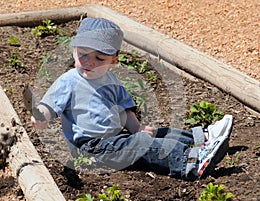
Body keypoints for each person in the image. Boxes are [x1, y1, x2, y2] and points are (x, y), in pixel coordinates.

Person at [31, 17, 233, 180]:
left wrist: (136, 128)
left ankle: (202, 139)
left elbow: (124, 109)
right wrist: (42, 116)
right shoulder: (69, 81)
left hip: (115, 139)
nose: (89, 62)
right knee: (141, 146)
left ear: (113, 61)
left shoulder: (111, 80)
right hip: (91, 149)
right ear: (74, 50)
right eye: (83, 54)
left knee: (152, 134)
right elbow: (49, 105)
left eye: (99, 58)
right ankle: (191, 162)